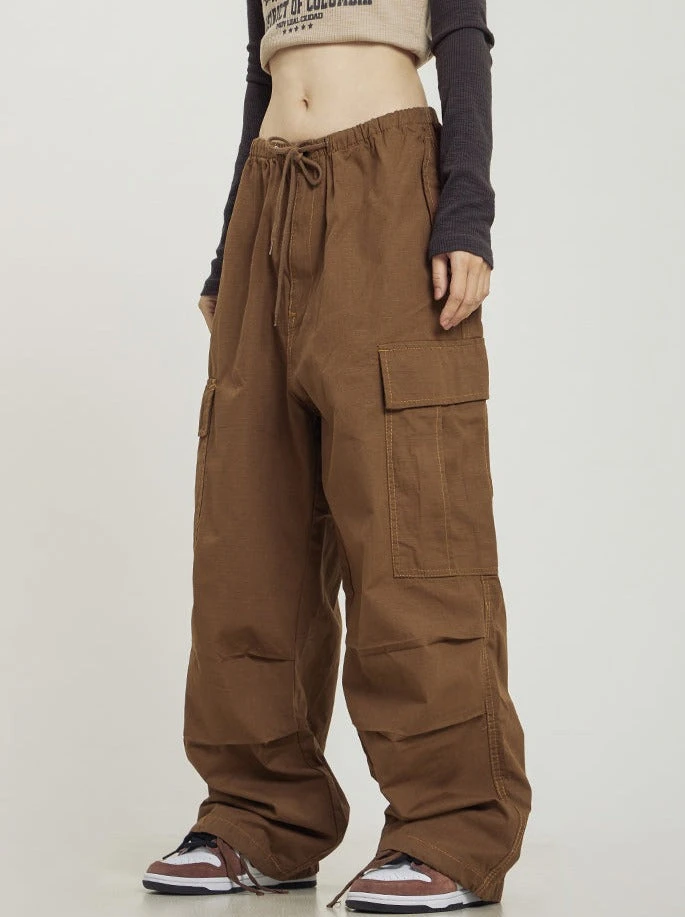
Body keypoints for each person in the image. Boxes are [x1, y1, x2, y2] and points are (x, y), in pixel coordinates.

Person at [142, 1, 532, 912]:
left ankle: (452, 826)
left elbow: (462, 39)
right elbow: (261, 75)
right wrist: (228, 249)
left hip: (389, 190)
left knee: (411, 522)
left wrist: (465, 210)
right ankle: (258, 817)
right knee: (247, 527)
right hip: (266, 201)